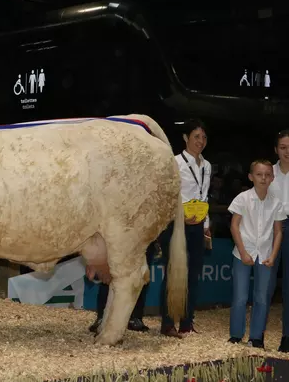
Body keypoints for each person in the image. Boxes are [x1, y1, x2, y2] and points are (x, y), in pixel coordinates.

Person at [160, 119, 211, 338]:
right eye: (196, 136)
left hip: (197, 225)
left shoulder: (207, 166)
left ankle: (187, 323)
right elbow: (167, 195)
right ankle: (168, 323)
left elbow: (203, 195)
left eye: (203, 137)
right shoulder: (174, 163)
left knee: (193, 276)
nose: (200, 141)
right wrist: (181, 215)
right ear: (185, 138)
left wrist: (206, 225)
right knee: (173, 274)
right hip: (176, 225)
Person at [228, 160, 285, 348]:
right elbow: (234, 226)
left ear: (272, 178)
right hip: (243, 254)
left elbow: (278, 232)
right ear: (251, 177)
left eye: (268, 175)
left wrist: (274, 255)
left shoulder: (276, 203)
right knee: (240, 296)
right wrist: (243, 252)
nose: (264, 178)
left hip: (266, 255)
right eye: (259, 174)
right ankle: (236, 335)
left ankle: (257, 337)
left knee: (261, 297)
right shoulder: (242, 198)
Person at [89, 243, 157, 333]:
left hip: (143, 237)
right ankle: (102, 317)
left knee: (141, 272)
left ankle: (135, 317)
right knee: (111, 269)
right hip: (119, 235)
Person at [268, 130, 289, 352]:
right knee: (266, 284)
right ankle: (258, 336)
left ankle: (287, 337)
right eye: (283, 147)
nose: (287, 152)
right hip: (270, 228)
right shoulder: (268, 173)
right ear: (276, 150)